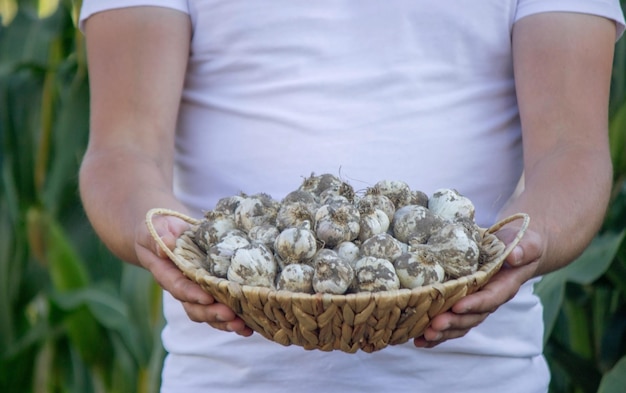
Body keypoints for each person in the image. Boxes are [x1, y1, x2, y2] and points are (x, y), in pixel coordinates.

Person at [77, 1, 625, 392]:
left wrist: (529, 238)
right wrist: (155, 228)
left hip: (480, 376)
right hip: (226, 377)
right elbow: (122, 150)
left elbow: (572, 151)